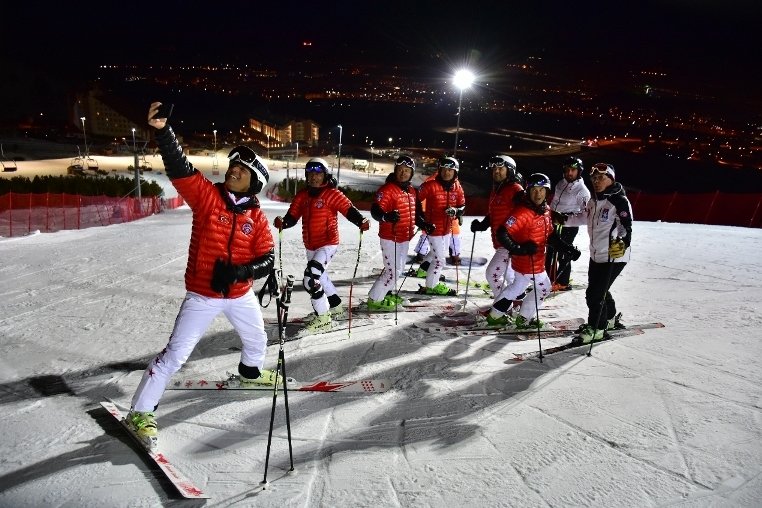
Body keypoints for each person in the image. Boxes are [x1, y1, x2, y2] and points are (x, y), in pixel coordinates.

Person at [128, 102, 276, 448]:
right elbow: (180, 169)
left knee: (257, 341)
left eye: (242, 169)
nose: (234, 170)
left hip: (240, 295)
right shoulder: (209, 198)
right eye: (234, 165)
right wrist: (164, 132)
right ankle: (140, 411)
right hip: (202, 295)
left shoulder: (257, 218)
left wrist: (242, 270)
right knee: (175, 356)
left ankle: (250, 374)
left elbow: (267, 258)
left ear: (254, 182)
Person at [274, 157, 370, 331]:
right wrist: (284, 222)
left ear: (325, 175)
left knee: (311, 278)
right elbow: (292, 216)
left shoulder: (332, 194)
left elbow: (349, 209)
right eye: (310, 174)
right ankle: (336, 307)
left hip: (327, 243)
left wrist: (361, 220)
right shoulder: (302, 195)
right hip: (310, 245)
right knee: (321, 277)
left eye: (317, 174)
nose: (313, 177)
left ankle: (323, 317)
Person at [477, 173, 580, 329]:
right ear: (527, 191)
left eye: (541, 189)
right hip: (529, 262)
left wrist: (567, 248)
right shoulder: (522, 212)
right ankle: (524, 319)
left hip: (533, 260)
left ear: (547, 192)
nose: (537, 194)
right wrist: (519, 249)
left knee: (516, 288)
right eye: (533, 190)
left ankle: (495, 316)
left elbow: (550, 235)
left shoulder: (545, 210)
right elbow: (502, 233)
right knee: (544, 287)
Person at [565, 163, 632, 343]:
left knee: (594, 294)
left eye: (601, 177)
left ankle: (597, 328)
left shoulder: (618, 200)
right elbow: (582, 217)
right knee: (600, 290)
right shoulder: (594, 200)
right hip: (596, 255)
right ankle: (609, 319)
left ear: (611, 179)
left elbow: (626, 227)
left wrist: (622, 243)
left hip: (614, 256)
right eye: (594, 178)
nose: (596, 181)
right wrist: (562, 219)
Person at [367, 155, 418, 310]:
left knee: (399, 269)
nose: (403, 173)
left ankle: (387, 292)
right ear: (395, 171)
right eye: (400, 170)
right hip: (390, 237)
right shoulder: (387, 189)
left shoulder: (411, 191)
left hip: (404, 236)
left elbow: (416, 213)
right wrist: (386, 216)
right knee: (392, 271)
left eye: (407, 170)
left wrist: (424, 224)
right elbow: (375, 210)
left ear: (411, 173)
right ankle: (374, 299)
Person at [470, 155, 524, 297]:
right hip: (501, 241)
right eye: (494, 169)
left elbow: (525, 214)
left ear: (510, 170)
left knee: (492, 274)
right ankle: (517, 300)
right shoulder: (497, 190)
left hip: (510, 243)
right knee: (511, 278)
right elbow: (494, 213)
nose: (496, 172)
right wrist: (482, 225)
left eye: (501, 168)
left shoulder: (516, 190)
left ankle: (501, 306)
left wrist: (516, 238)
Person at [415, 156, 466, 295]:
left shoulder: (457, 186)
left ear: (455, 172)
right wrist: (421, 220)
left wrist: (456, 211)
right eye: (443, 169)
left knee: (434, 253)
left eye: (450, 170)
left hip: (447, 229)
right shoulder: (430, 185)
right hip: (433, 228)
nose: (446, 172)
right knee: (440, 260)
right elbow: (414, 200)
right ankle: (432, 285)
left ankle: (424, 270)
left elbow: (462, 205)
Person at [545, 156, 591, 290]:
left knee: (564, 252)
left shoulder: (582, 191)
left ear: (579, 171)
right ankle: (548, 279)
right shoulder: (561, 183)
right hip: (554, 223)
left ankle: (563, 282)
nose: (569, 173)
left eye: (573, 170)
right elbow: (554, 202)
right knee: (550, 252)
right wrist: (549, 214)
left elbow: (586, 215)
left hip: (569, 226)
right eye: (567, 170)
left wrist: (566, 219)